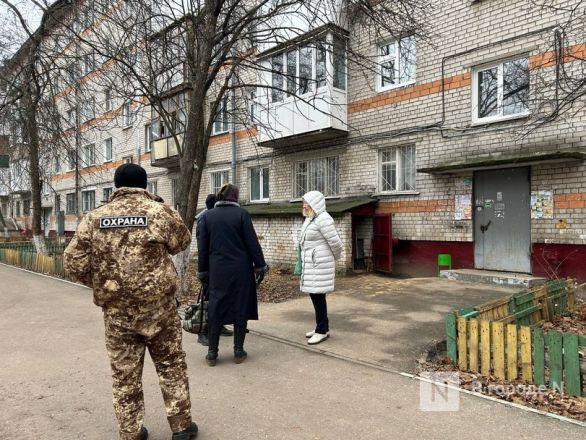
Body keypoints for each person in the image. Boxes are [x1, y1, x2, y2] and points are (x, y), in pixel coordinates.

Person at [64, 163, 198, 440]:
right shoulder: (158, 212)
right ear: (144, 185)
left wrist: (105, 283)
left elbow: (72, 262)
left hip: (117, 313)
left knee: (124, 374)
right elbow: (181, 241)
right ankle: (182, 427)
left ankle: (131, 431)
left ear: (116, 186)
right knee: (171, 364)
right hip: (159, 309)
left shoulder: (95, 217)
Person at [196, 183, 268, 366]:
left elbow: (202, 248)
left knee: (216, 306)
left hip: (217, 271)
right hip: (241, 270)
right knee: (240, 306)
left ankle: (212, 353)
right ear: (235, 197)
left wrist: (202, 271)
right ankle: (238, 351)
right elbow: (252, 243)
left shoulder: (208, 216)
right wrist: (260, 265)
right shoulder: (241, 214)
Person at [298, 190, 343, 345]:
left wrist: (331, 259)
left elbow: (336, 243)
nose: (304, 206)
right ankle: (322, 327)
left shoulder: (323, 219)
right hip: (313, 265)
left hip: (319, 265)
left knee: (318, 297)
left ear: (314, 204)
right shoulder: (311, 219)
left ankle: (321, 330)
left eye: (306, 203)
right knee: (316, 297)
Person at [194, 194, 233, 346]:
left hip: (218, 265)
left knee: (219, 298)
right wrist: (203, 269)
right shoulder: (205, 219)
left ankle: (219, 325)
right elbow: (202, 246)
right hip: (209, 266)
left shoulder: (212, 217)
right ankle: (202, 331)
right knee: (207, 299)